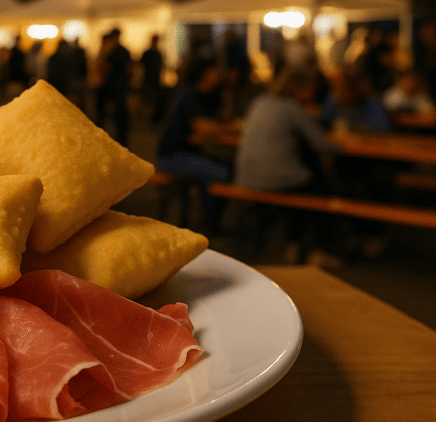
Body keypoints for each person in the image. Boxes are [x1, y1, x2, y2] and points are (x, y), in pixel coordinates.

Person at [234, 66, 342, 265]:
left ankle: (292, 246)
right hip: (276, 181)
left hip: (245, 178)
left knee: (299, 184)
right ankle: (318, 250)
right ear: (303, 88)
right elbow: (322, 146)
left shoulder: (259, 101)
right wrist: (343, 141)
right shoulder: (292, 108)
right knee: (323, 190)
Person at [155, 55, 231, 235]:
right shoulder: (189, 94)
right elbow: (202, 127)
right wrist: (229, 127)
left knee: (224, 169)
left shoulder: (209, 95)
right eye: (215, 70)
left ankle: (208, 223)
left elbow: (219, 120)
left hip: (189, 152)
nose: (219, 74)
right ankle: (208, 226)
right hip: (172, 156)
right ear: (205, 73)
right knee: (219, 173)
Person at [95, 29, 131, 147]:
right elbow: (130, 69)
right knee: (119, 115)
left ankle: (110, 140)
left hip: (111, 86)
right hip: (120, 86)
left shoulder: (110, 52)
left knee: (105, 114)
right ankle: (121, 140)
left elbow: (103, 68)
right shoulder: (124, 51)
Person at [139, 33, 164, 122]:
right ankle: (145, 117)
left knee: (151, 100)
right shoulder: (149, 53)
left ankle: (148, 117)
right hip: (148, 80)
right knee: (146, 99)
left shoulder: (157, 54)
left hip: (154, 81)